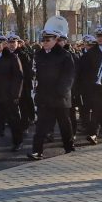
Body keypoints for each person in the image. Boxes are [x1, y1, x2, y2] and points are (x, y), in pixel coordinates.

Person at [28, 30, 76, 160]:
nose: (44, 43)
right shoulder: (39, 55)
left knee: (64, 124)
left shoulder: (64, 55)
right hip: (44, 96)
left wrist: (62, 91)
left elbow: (69, 75)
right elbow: (36, 75)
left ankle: (69, 148)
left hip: (60, 96)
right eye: (43, 40)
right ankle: (37, 151)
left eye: (47, 40)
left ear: (55, 40)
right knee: (41, 126)